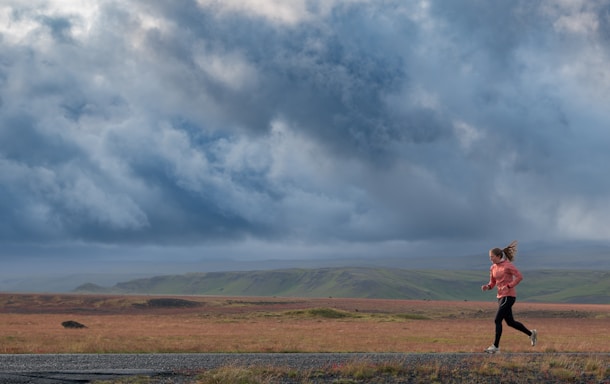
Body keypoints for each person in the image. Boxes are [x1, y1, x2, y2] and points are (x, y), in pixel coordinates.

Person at [481, 240, 537, 353]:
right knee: (510, 322)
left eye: (492, 257)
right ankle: (531, 334)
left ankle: (495, 347)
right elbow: (492, 283)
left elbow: (519, 277)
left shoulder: (508, 266)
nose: (490, 259)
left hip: (509, 296)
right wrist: (487, 286)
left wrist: (509, 285)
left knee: (497, 320)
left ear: (498, 256)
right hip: (500, 297)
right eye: (489, 257)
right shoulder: (492, 268)